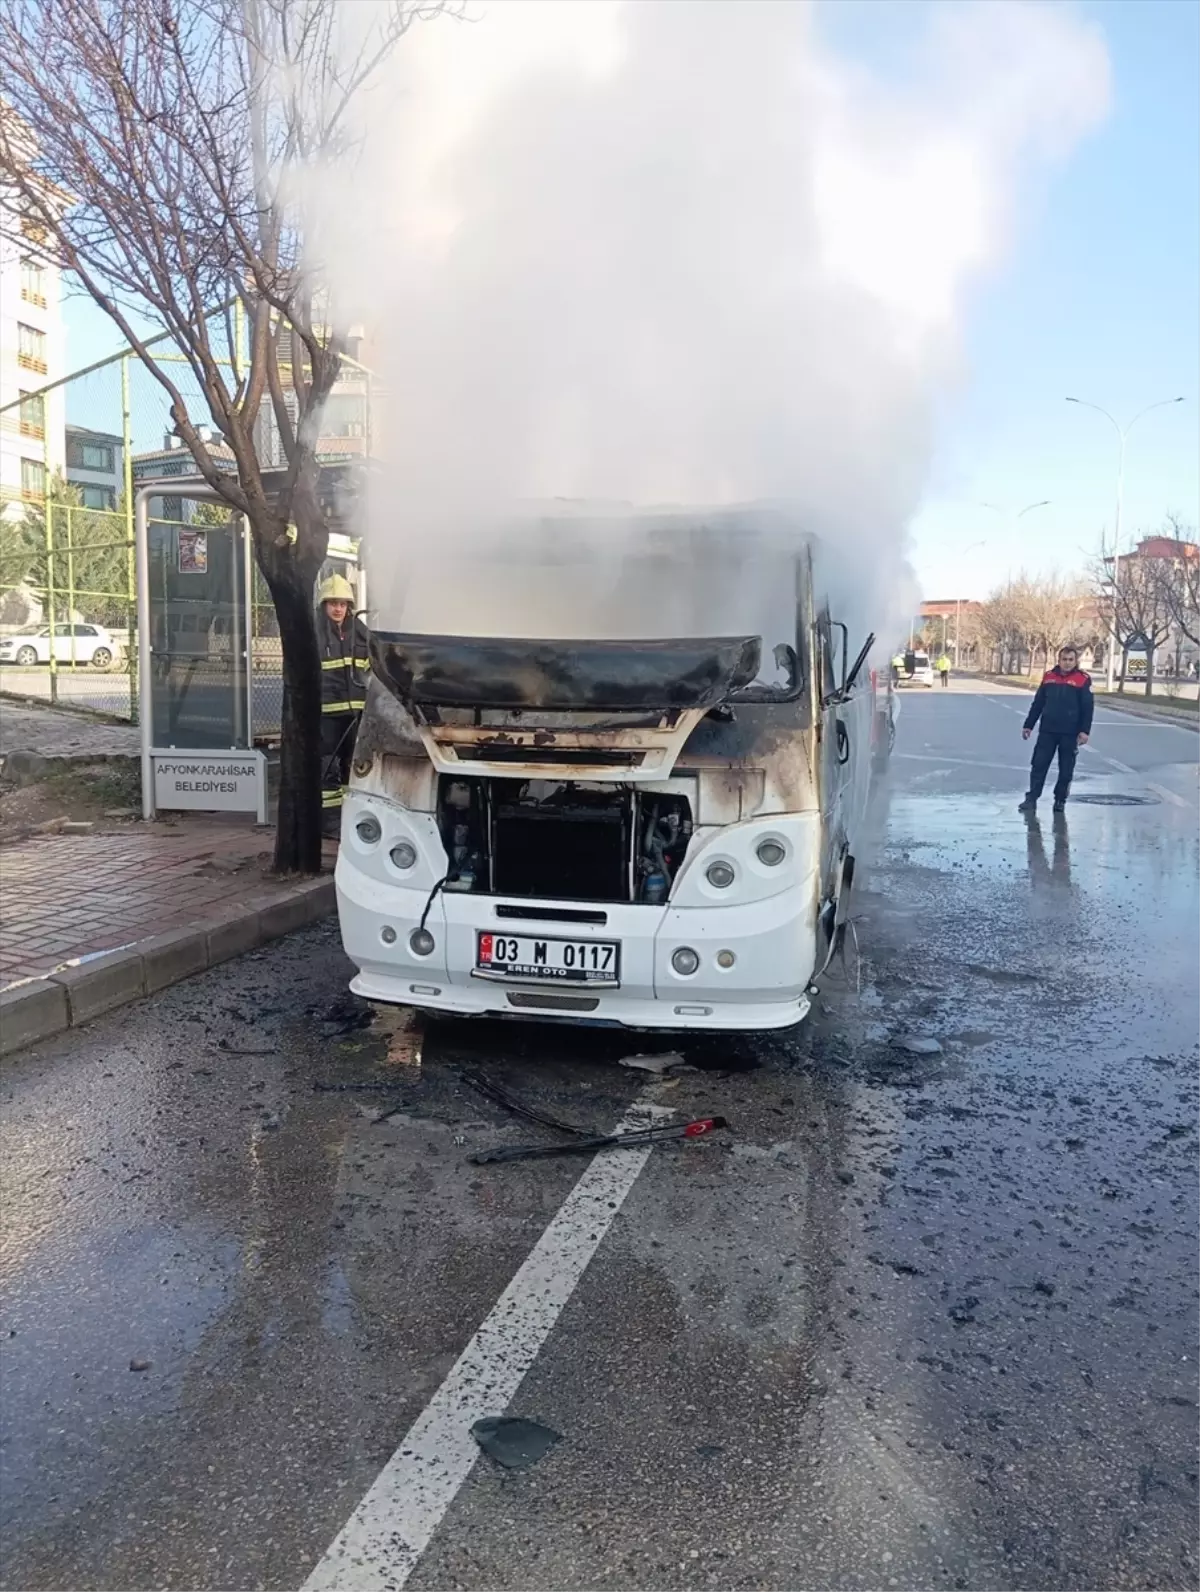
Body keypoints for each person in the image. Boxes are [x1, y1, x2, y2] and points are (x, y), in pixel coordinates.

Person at [316, 574, 370, 837]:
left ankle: (353, 821)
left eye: (342, 604)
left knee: (355, 768)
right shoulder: (315, 633)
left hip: (357, 714)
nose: (338, 609)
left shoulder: (361, 632)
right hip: (327, 715)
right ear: (324, 605)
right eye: (332, 603)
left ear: (349, 606)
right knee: (328, 768)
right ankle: (329, 823)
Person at [1018, 643, 1093, 814]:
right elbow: (1038, 703)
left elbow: (1087, 707)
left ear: (1075, 661)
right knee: (1038, 765)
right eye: (1064, 659)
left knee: (1066, 770)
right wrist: (1028, 725)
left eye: (1071, 660)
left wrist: (1084, 731)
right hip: (1048, 731)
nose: (1067, 663)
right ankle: (1031, 798)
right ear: (1058, 660)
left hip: (1070, 733)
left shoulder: (1082, 679)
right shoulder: (1049, 677)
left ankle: (1060, 800)